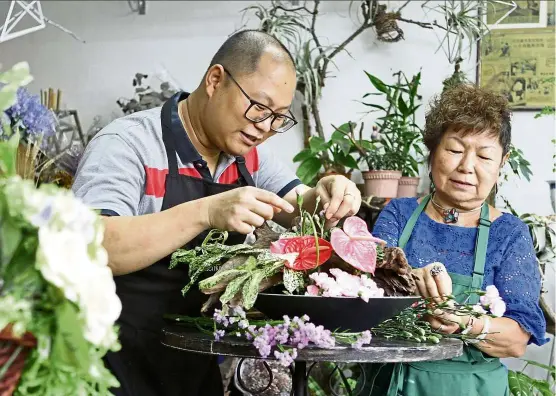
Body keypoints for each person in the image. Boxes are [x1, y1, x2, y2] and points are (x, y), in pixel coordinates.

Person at [71, 30, 362, 396]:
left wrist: (328, 193)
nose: (264, 128)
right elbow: (93, 246)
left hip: (193, 362)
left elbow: (296, 206)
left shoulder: (248, 157)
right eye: (259, 108)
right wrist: (206, 211)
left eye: (278, 118)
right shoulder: (128, 144)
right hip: (111, 363)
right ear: (215, 81)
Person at [364, 84, 548, 396]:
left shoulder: (509, 234)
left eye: (484, 155)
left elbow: (517, 340)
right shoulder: (399, 213)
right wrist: (406, 278)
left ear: (501, 164)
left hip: (471, 387)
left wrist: (465, 322)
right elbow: (364, 289)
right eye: (454, 150)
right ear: (432, 151)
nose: (467, 167)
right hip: (388, 382)